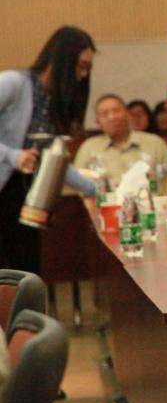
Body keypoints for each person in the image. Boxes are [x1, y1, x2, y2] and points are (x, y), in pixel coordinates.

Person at [0, 26, 99, 272]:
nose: (82, 76)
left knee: (28, 275)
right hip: (7, 190)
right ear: (62, 59)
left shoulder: (54, 102)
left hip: (23, 198)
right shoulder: (13, 84)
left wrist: (96, 189)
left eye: (87, 69)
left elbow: (54, 160)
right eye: (81, 66)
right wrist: (12, 155)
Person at [74, 94, 167, 183]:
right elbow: (77, 184)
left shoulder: (154, 143)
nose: (112, 117)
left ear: (127, 114)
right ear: (98, 121)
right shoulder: (89, 147)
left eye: (116, 111)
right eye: (105, 114)